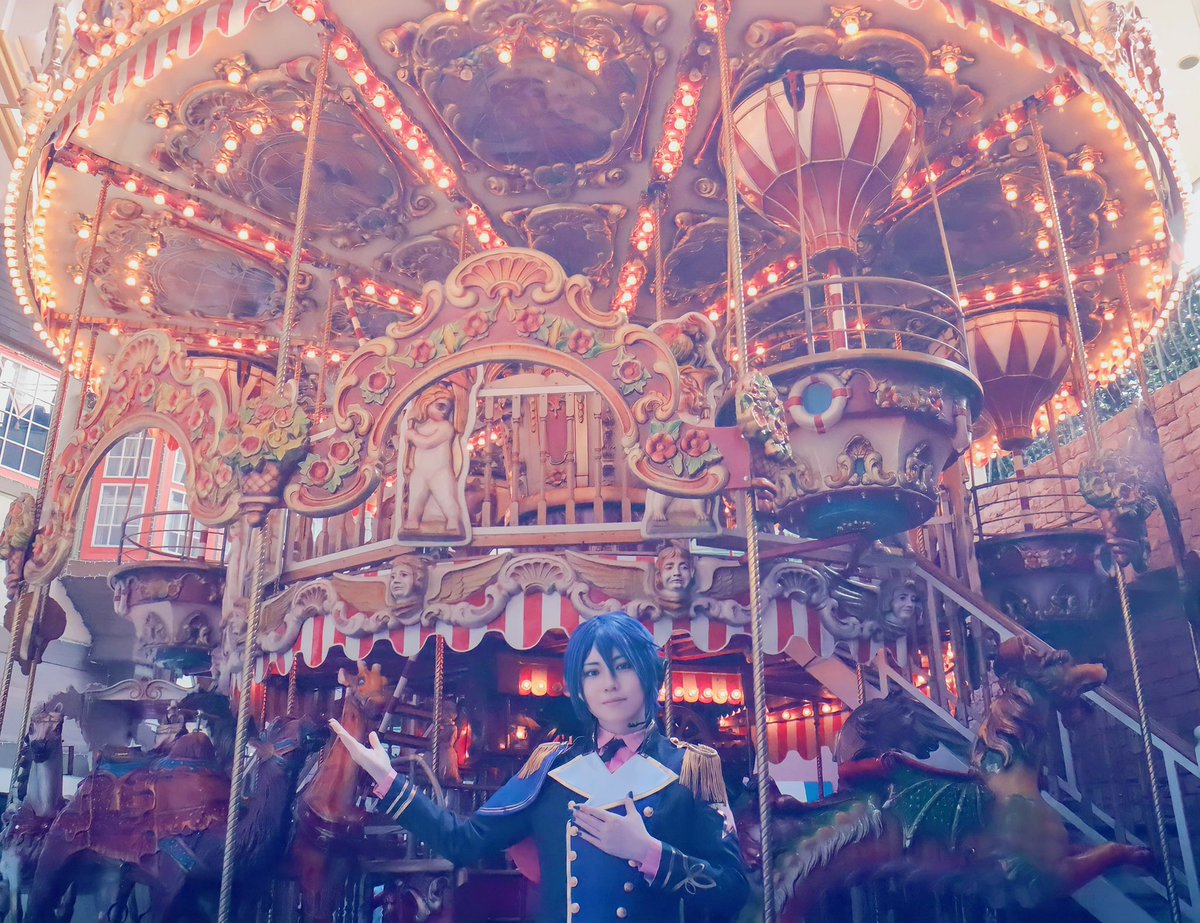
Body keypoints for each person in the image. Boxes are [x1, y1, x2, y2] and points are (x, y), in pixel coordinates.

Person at [330, 612, 749, 922]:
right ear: (579, 688)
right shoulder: (551, 768)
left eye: (623, 666)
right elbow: (464, 842)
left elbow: (732, 892)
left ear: (648, 674)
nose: (609, 683)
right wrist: (388, 780)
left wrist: (648, 853)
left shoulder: (692, 769)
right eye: (593, 672)